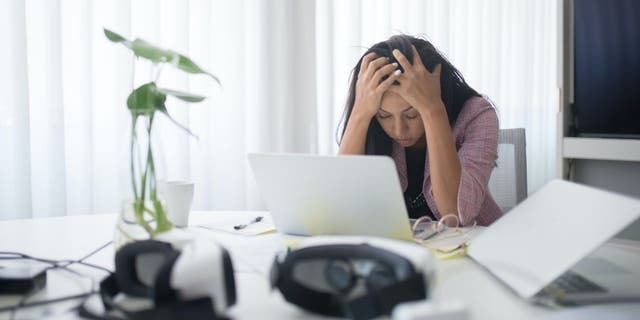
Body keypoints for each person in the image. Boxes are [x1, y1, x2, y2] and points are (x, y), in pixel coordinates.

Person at [337, 35, 502, 226]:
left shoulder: (477, 115)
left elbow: (455, 215)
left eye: (412, 115)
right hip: (401, 248)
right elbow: (342, 204)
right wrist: (360, 113)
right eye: (385, 116)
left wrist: (433, 109)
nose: (399, 130)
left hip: (471, 246)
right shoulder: (369, 119)